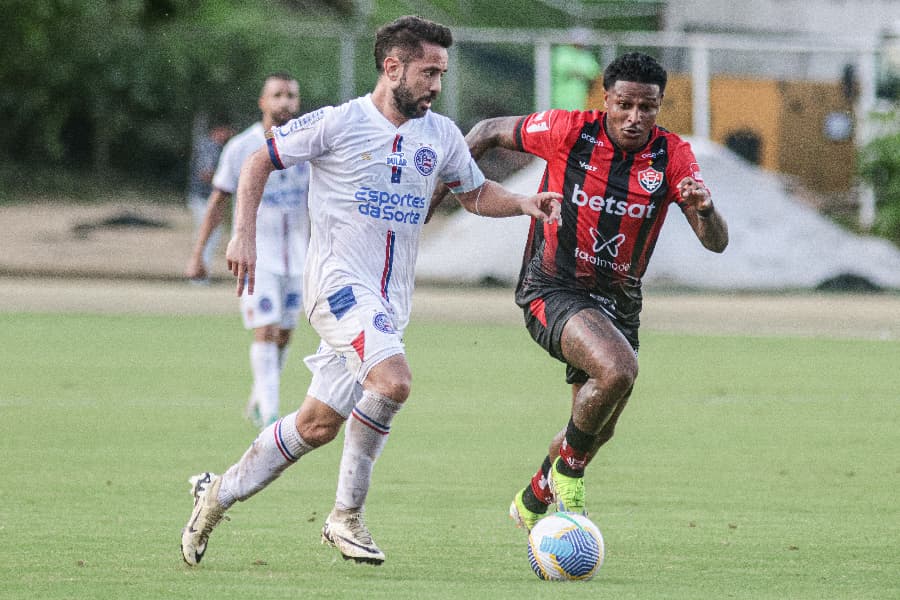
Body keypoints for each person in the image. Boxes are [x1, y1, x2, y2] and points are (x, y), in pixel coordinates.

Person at [180, 15, 562, 567]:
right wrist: (242, 234)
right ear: (392, 67)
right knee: (393, 380)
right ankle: (345, 518)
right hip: (337, 286)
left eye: (442, 73)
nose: (436, 84)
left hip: (388, 304)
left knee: (315, 425)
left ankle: (216, 495)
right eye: (429, 72)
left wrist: (524, 203)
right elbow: (261, 157)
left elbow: (475, 193)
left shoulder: (441, 135)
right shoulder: (339, 123)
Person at [455, 52, 729, 531]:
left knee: (599, 426)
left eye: (648, 108)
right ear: (607, 99)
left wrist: (704, 210)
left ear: (660, 106)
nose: (634, 118)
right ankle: (569, 478)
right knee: (618, 369)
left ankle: (536, 492)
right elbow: (486, 130)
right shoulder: (569, 131)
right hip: (552, 286)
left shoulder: (672, 156)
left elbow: (716, 244)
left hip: (619, 302)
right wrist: (438, 191)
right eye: (624, 105)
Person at [184, 73, 311, 429]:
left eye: (291, 95)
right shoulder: (241, 147)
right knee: (265, 328)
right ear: (263, 102)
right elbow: (218, 201)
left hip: (297, 256)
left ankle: (259, 399)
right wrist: (199, 254)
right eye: (278, 95)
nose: (285, 101)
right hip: (258, 256)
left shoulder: (307, 147)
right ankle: (270, 413)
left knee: (284, 333)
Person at [185, 116, 234, 282]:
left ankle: (200, 272)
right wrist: (227, 181)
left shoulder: (212, 146)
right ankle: (198, 274)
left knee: (210, 235)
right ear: (219, 130)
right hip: (203, 197)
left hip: (203, 197)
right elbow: (206, 173)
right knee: (207, 235)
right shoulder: (210, 147)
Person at [551, 28, 601, 110]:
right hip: (560, 99)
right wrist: (582, 74)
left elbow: (594, 75)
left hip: (580, 100)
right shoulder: (562, 52)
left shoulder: (586, 56)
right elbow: (565, 71)